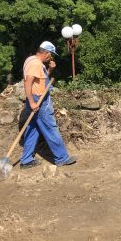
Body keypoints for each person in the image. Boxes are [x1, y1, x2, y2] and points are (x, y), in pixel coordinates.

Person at [21, 41, 76, 169]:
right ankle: (62, 158)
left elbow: (40, 80)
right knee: (51, 128)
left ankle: (26, 160)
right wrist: (32, 101)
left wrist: (50, 69)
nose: (50, 57)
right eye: (50, 54)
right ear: (46, 53)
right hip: (39, 101)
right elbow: (27, 83)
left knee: (32, 130)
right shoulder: (35, 64)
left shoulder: (31, 60)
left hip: (35, 99)